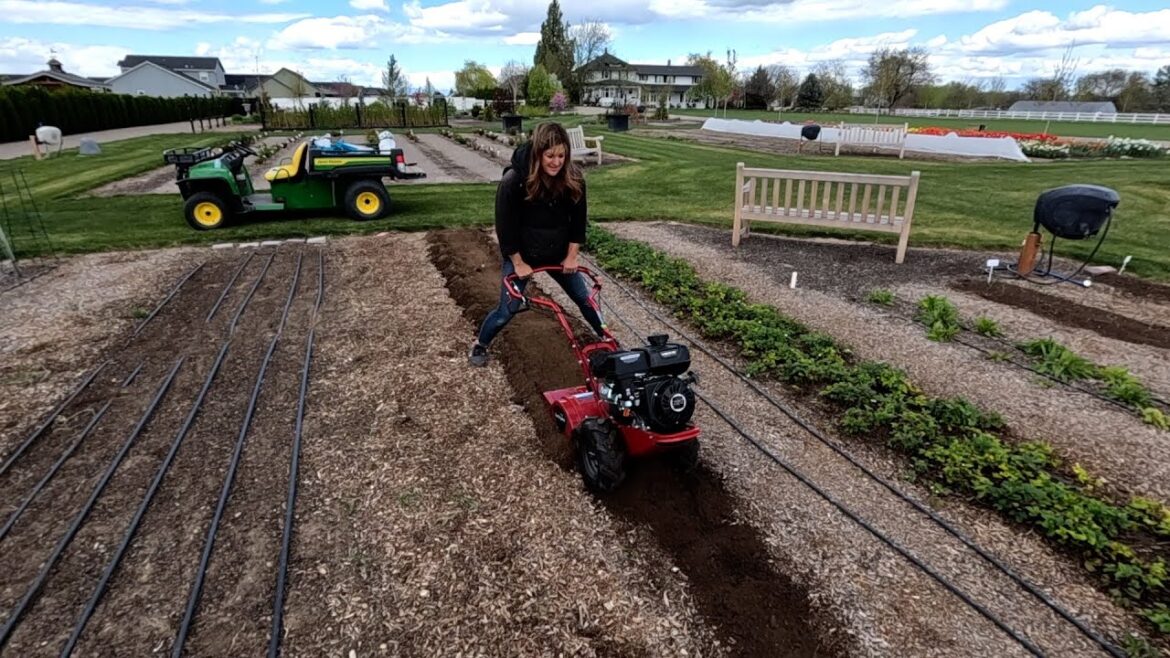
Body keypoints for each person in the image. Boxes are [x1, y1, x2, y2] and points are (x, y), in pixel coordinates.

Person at [469, 122, 605, 367]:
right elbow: (505, 227)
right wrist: (518, 263)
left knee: (586, 301)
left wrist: (572, 256)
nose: (556, 162)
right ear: (538, 153)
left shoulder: (573, 179)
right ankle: (481, 344)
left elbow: (578, 223)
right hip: (523, 254)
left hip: (559, 253)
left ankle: (608, 342)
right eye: (550, 156)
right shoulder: (514, 181)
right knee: (507, 309)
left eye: (561, 156)